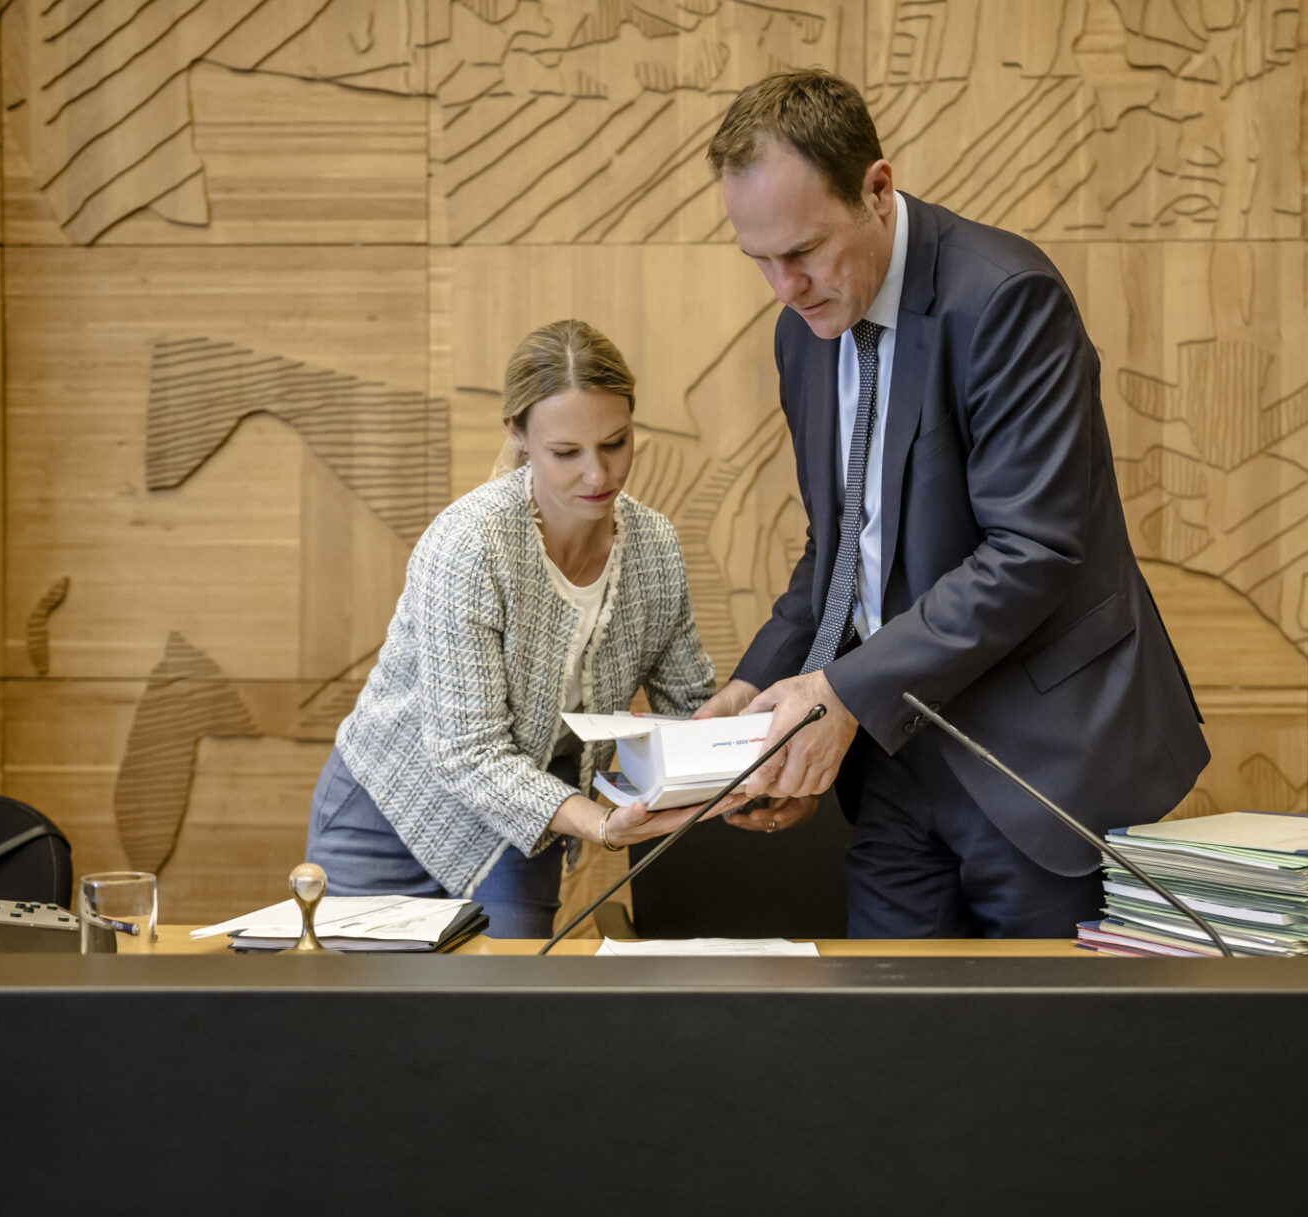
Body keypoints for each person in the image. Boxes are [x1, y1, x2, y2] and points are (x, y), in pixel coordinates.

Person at [697, 70, 1209, 938]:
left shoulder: (1007, 297)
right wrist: (755, 690)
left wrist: (842, 696)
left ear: (878, 189)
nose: (786, 288)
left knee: (1039, 1058)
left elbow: (1033, 549)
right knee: (886, 1052)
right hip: (899, 757)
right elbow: (841, 549)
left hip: (1041, 765)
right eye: (761, 261)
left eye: (806, 250)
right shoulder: (804, 331)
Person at [308, 319, 731, 936]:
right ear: (519, 435)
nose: (598, 475)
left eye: (615, 443)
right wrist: (602, 825)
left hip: (528, 812)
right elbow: (467, 753)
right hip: (392, 808)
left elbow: (688, 706)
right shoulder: (470, 544)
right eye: (566, 453)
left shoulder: (653, 546)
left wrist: (752, 770)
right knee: (361, 1025)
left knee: (507, 1019)